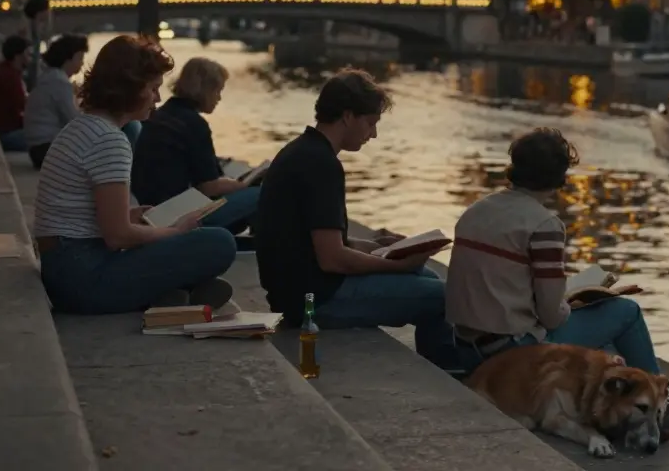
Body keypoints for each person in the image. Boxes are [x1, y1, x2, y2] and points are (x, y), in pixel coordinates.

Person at [445, 127, 669, 428]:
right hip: (510, 353)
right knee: (625, 313)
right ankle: (662, 403)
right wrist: (571, 302)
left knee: (603, 348)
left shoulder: (476, 210)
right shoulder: (544, 225)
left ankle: (633, 401)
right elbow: (552, 318)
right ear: (560, 177)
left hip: (465, 346)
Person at [254, 68, 453, 365]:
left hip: (295, 291)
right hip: (313, 301)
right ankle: (450, 369)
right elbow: (332, 259)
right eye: (371, 123)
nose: (373, 134)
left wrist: (379, 246)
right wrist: (395, 266)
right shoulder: (322, 165)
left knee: (424, 275)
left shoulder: (302, 151)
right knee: (444, 296)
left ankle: (443, 362)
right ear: (348, 116)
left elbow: (320, 240)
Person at [32, 35, 237, 315]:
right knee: (219, 243)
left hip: (64, 268)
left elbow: (86, 218)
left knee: (183, 241)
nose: (158, 98)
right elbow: (117, 236)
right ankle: (174, 291)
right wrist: (175, 231)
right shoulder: (109, 140)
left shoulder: (82, 127)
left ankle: (171, 294)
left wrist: (132, 215)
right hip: (84, 278)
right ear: (129, 88)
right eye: (153, 88)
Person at [131, 57, 260, 234]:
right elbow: (208, 186)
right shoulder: (194, 123)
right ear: (205, 90)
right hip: (178, 215)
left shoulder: (162, 115)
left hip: (152, 208)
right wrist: (246, 185)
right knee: (259, 194)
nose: (219, 98)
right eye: (218, 91)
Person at [24, 34, 89, 169]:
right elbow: (74, 120)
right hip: (47, 150)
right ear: (68, 59)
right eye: (80, 58)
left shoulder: (50, 76)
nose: (82, 63)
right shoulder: (59, 82)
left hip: (38, 149)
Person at [0, 35, 32, 152]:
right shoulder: (9, 77)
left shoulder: (7, 71)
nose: (30, 57)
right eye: (27, 54)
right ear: (18, 56)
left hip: (3, 130)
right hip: (6, 134)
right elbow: (21, 109)